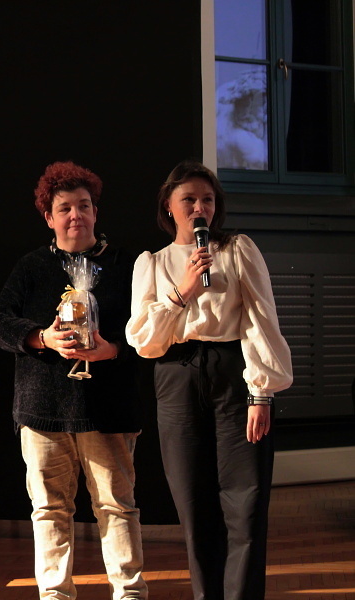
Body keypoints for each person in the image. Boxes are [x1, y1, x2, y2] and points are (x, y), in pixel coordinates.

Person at [125, 160, 293, 600]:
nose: (200, 208)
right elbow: (144, 341)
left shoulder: (237, 249)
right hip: (176, 378)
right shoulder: (153, 263)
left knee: (246, 501)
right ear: (169, 205)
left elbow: (261, 320)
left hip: (234, 372)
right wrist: (183, 290)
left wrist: (262, 393)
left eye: (207, 199)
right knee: (194, 505)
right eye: (189, 199)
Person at [0, 161, 148, 600]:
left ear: (96, 211)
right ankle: (55, 594)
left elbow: (150, 331)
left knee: (117, 507)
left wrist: (112, 349)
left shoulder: (127, 265)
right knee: (48, 510)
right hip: (42, 411)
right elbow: (0, 323)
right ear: (49, 217)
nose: (75, 215)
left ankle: (129, 592)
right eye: (65, 208)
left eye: (83, 205)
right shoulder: (31, 266)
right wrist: (41, 337)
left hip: (108, 409)